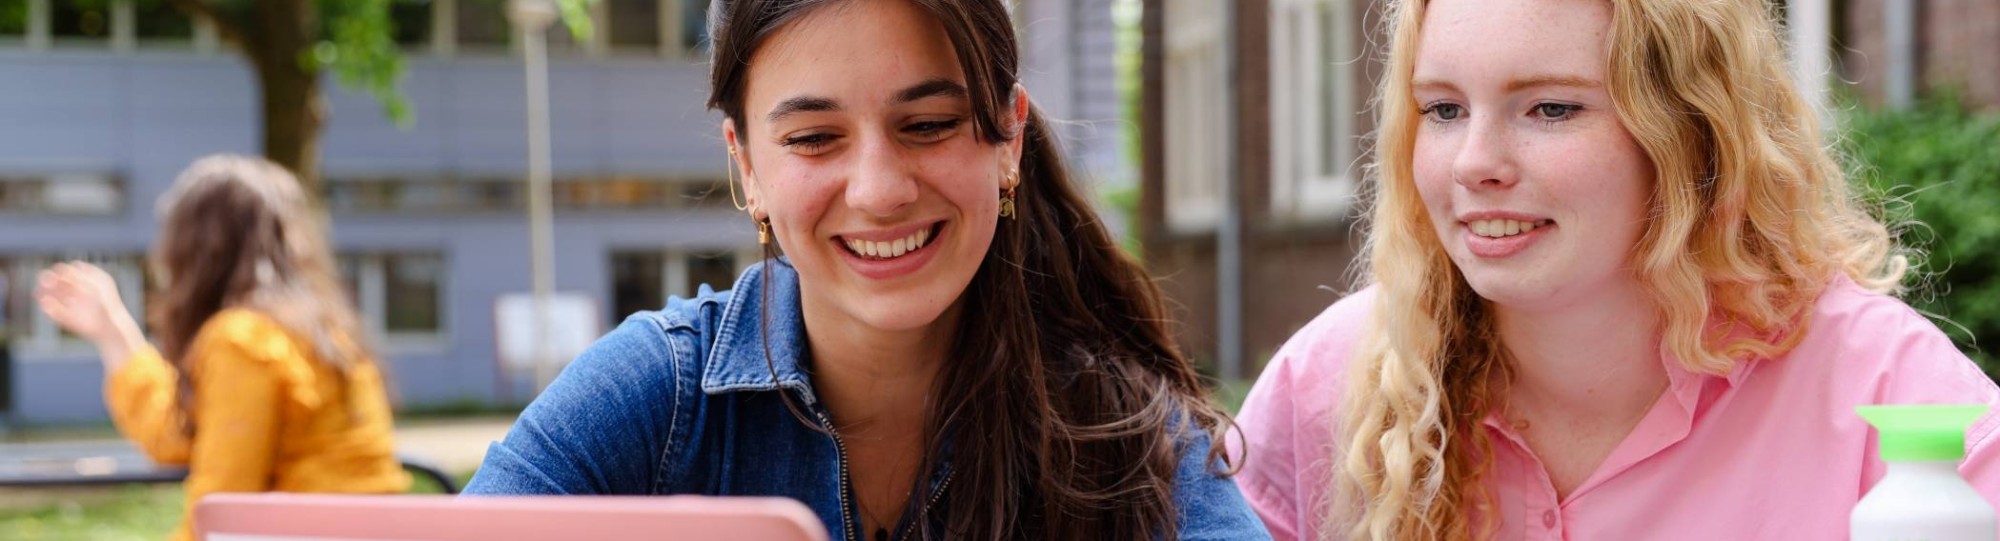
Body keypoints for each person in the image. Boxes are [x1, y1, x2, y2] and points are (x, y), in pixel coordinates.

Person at [462, 0, 1268, 540]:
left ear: (1009, 140)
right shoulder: (656, 398)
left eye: (927, 124)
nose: (880, 191)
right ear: (747, 169)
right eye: (814, 138)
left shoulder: (1123, 432)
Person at [1227, 0, 2000, 539]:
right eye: (1444, 109)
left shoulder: (1883, 392)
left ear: (1694, 134)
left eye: (1551, 109)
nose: (1475, 164)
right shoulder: (1327, 384)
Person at [37, 155, 409, 541]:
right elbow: (182, 437)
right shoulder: (325, 332)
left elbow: (222, 508)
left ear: (194, 248)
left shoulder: (243, 341)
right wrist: (113, 332)